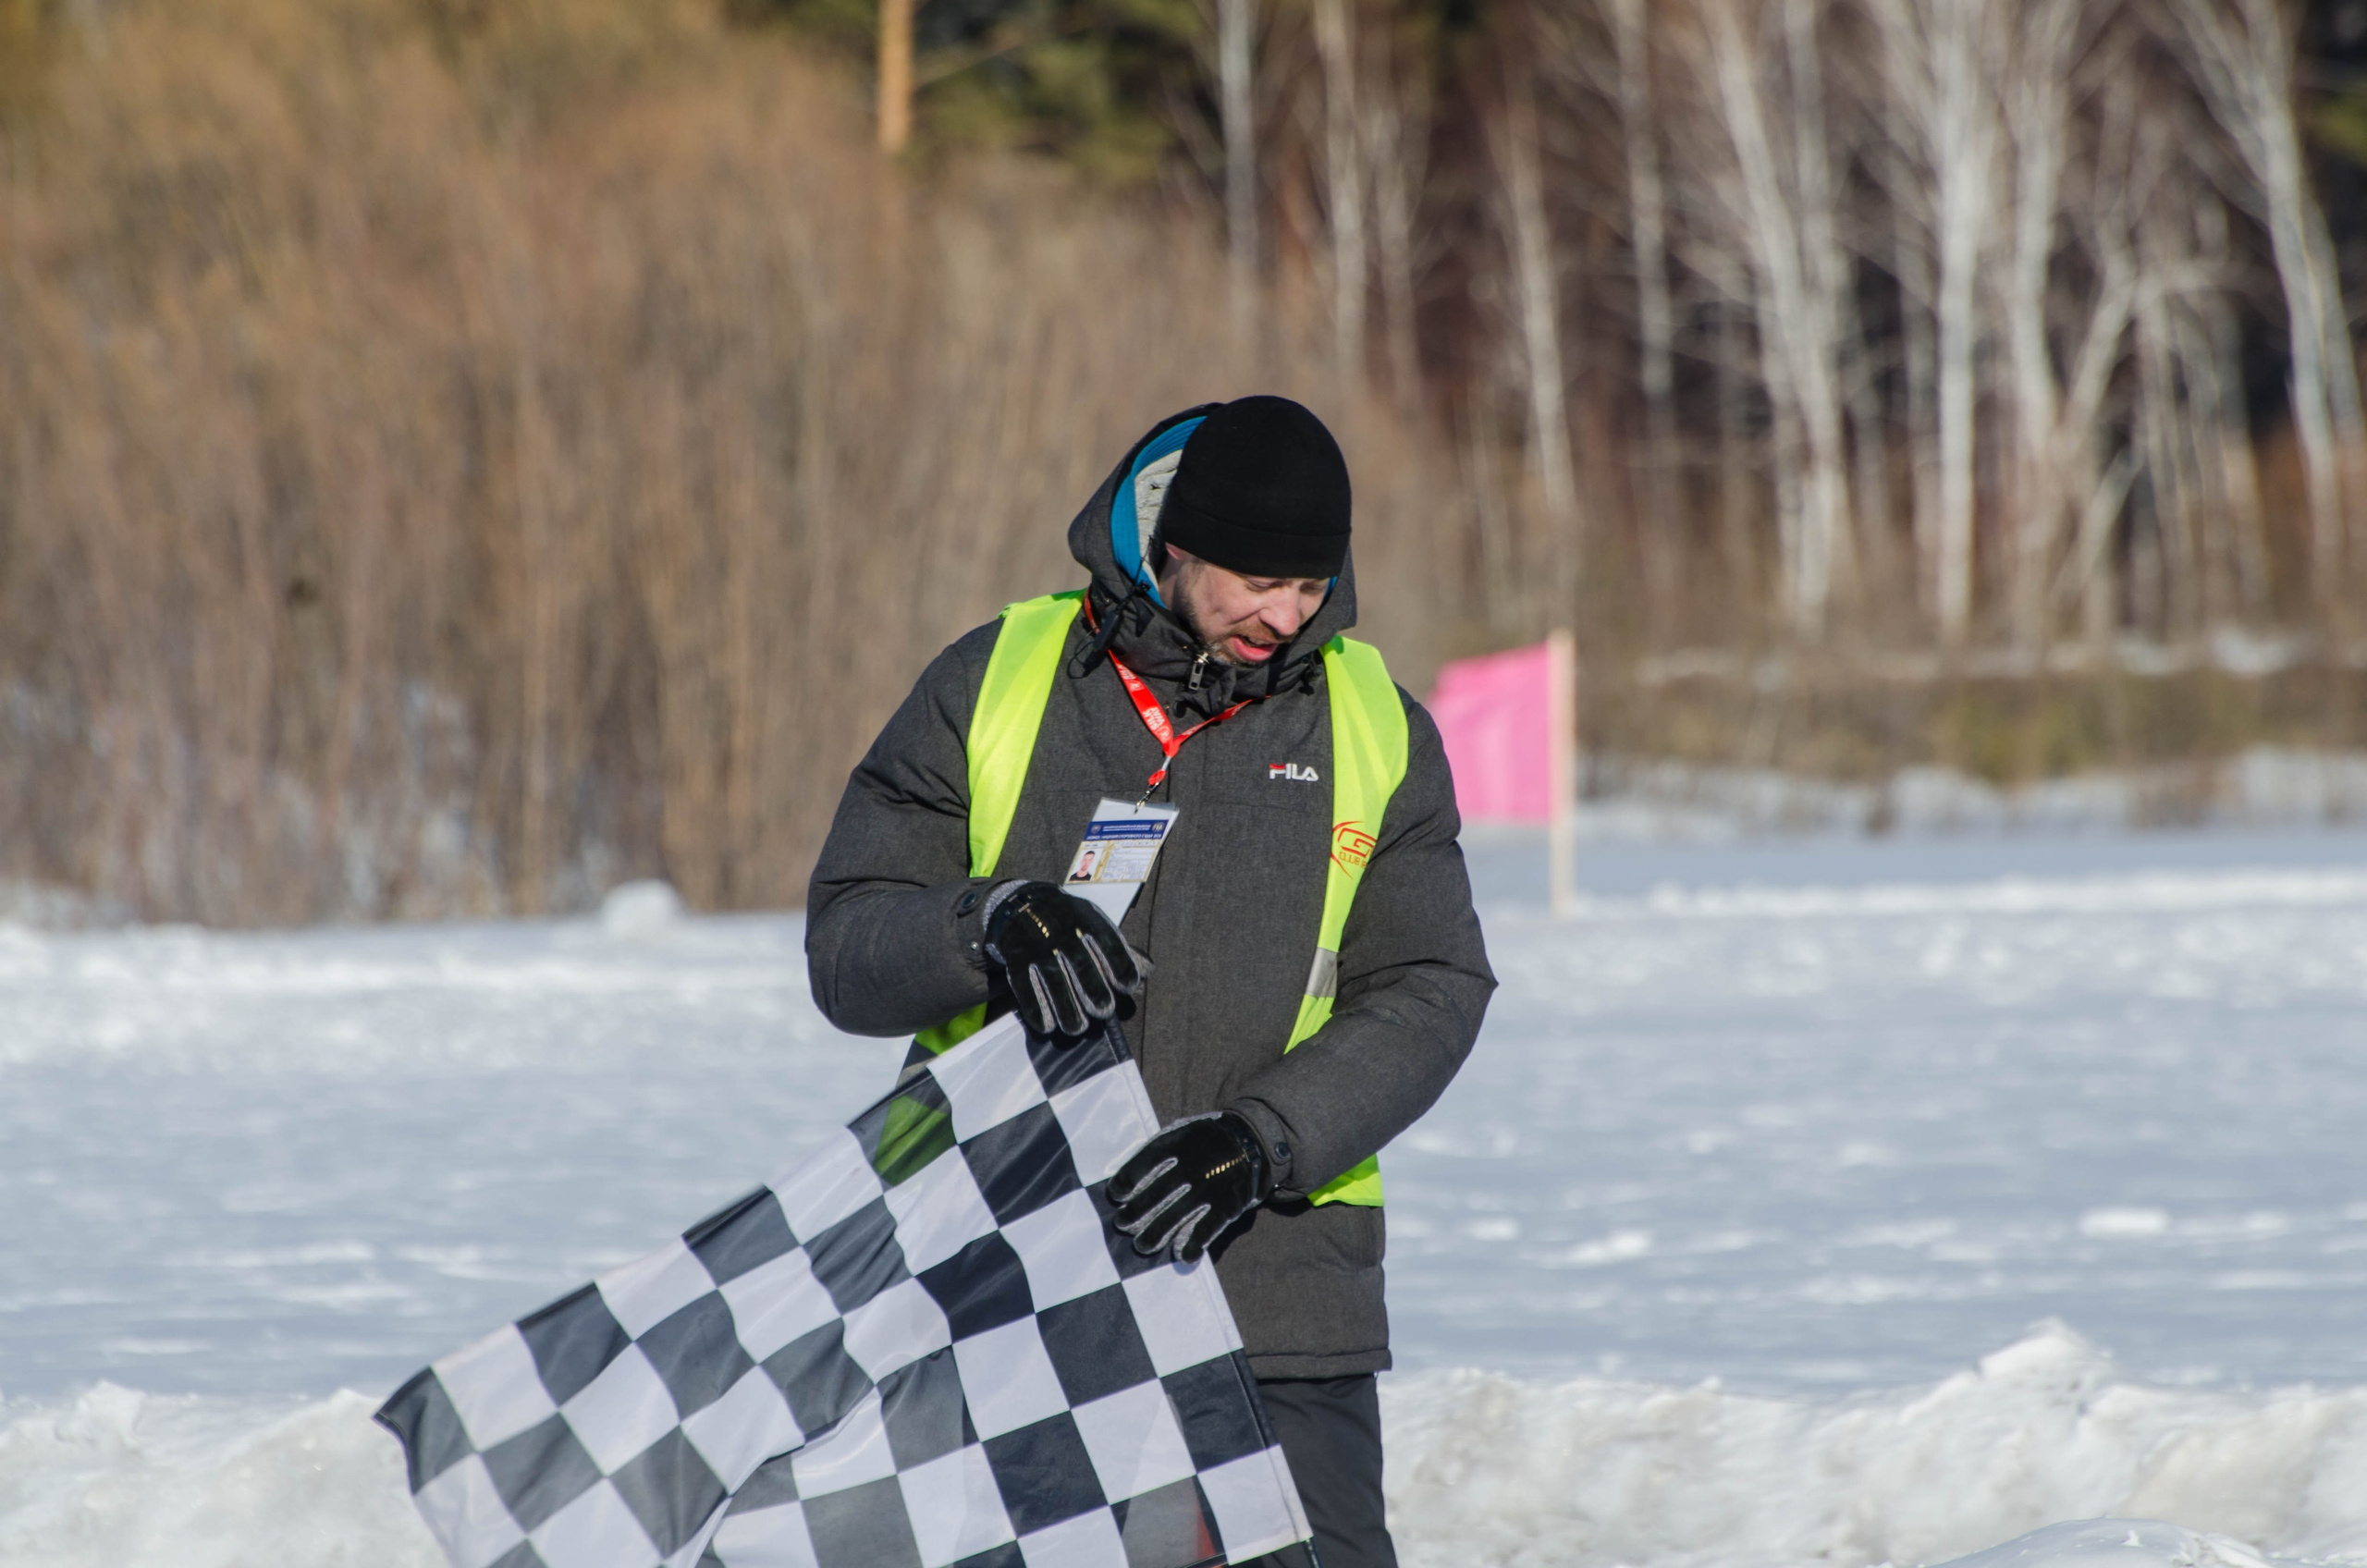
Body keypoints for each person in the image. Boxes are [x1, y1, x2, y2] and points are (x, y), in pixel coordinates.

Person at [806, 395, 1494, 1568]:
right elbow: (847, 946)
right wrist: (985, 923)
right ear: (1175, 544)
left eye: (1310, 584)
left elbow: (1430, 986)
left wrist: (1259, 1140)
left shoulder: (1374, 723)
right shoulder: (995, 677)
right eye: (1252, 580)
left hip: (1277, 1286)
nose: (1284, 615)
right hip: (1001, 1271)